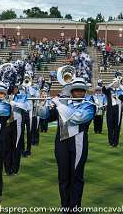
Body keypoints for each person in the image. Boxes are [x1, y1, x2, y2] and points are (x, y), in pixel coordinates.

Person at [38, 78, 96, 211]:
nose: (79, 92)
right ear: (72, 91)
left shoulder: (89, 105)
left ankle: (75, 207)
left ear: (85, 92)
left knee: (76, 176)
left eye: (81, 90)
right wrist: (42, 103)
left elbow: (77, 118)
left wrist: (59, 104)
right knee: (63, 177)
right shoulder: (63, 103)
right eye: (76, 90)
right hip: (61, 144)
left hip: (79, 143)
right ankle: (65, 207)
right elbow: (45, 116)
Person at [102, 76, 123, 147]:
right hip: (110, 109)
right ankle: (111, 142)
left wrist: (119, 84)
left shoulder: (121, 90)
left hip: (118, 109)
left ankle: (116, 142)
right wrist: (112, 84)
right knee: (110, 126)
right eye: (114, 82)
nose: (115, 83)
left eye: (116, 82)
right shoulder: (109, 90)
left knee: (117, 126)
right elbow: (103, 89)